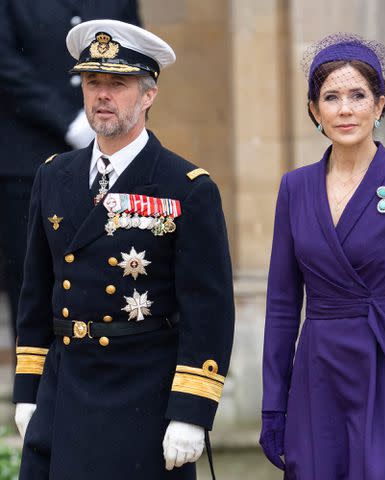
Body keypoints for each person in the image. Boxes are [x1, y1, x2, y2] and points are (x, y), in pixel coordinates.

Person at [13, 19, 234, 480]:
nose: (102, 95)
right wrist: (28, 389)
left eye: (118, 84)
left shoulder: (186, 187)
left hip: (143, 395)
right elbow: (35, 290)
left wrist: (191, 409)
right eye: (93, 82)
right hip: (65, 388)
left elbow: (208, 309)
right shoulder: (54, 175)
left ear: (149, 94)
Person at [260, 33, 385, 480]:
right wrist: (273, 406)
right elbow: (281, 307)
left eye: (358, 96)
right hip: (318, 375)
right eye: (331, 97)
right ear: (314, 110)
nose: (345, 109)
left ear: (380, 105)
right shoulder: (295, 188)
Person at [0, 0, 141, 342]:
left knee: (109, 270)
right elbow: (6, 62)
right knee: (30, 277)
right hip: (26, 157)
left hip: (107, 153)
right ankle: (35, 385)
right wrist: (67, 120)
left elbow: (135, 57)